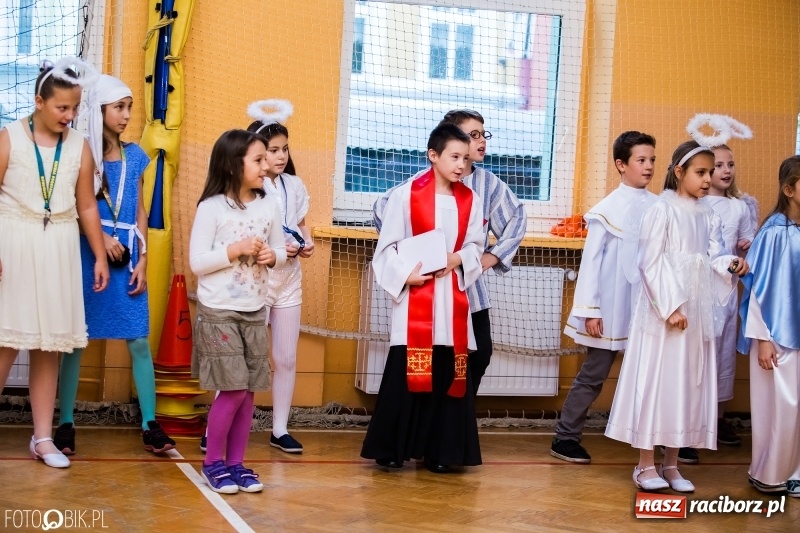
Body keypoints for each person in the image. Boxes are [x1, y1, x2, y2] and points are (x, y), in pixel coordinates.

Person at [604, 139, 748, 492]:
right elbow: (649, 262)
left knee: (687, 384)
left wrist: (728, 263)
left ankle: (671, 464)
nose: (707, 179)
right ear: (679, 172)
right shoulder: (661, 210)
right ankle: (644, 465)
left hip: (695, 312)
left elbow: (711, 258)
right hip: (664, 314)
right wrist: (670, 307)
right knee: (658, 382)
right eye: (700, 172)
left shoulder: (707, 215)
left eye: (710, 172)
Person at [55, 74, 176, 455]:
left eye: (129, 108)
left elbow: (140, 211)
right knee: (77, 342)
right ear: (99, 111)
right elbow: (72, 206)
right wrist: (99, 239)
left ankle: (149, 424)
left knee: (139, 340)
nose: (126, 115)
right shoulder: (79, 153)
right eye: (118, 108)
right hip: (89, 251)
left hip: (126, 252)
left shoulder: (136, 156)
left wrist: (142, 257)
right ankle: (65, 423)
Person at [0, 58, 109, 468]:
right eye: (61, 107)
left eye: (75, 108)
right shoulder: (9, 137)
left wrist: (99, 254)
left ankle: (43, 438)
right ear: (38, 102)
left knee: (49, 346)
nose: (69, 115)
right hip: (13, 242)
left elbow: (86, 204)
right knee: (6, 341)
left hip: (59, 245)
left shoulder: (80, 145)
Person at [360, 123, 484, 473]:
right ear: (433, 155)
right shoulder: (406, 195)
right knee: (408, 370)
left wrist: (457, 259)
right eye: (454, 157)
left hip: (452, 297)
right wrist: (405, 276)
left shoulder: (470, 200)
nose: (461, 165)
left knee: (447, 369)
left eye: (466, 157)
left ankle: (441, 453)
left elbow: (476, 245)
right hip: (417, 295)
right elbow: (386, 250)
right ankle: (392, 448)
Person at [374, 109, 525, 395]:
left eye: (484, 134)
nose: (481, 141)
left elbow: (516, 220)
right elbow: (383, 212)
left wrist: (485, 258)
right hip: (426, 291)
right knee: (424, 362)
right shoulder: (418, 185)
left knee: (477, 356)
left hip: (468, 290)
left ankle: (457, 422)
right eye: (473, 135)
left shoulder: (488, 185)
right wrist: (415, 254)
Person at [190, 129, 286, 494]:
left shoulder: (269, 205)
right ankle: (213, 462)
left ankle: (236, 463)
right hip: (219, 312)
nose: (267, 166)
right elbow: (198, 262)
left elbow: (279, 251)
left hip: (253, 310)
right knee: (232, 389)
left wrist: (271, 255)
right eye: (258, 160)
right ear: (233, 164)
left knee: (248, 392)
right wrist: (235, 249)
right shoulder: (211, 207)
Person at [552, 131, 657, 463]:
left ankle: (657, 438)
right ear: (621, 165)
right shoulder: (606, 211)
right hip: (610, 307)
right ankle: (565, 437)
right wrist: (591, 310)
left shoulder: (659, 207)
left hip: (645, 305)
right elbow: (592, 265)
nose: (649, 166)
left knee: (651, 373)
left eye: (652, 159)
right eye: (641, 160)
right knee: (594, 372)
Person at [246, 115, 314, 454]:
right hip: (257, 278)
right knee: (245, 356)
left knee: (285, 357)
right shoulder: (248, 187)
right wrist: (276, 249)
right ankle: (220, 426)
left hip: (289, 279)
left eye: (284, 149)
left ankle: (280, 429)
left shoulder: (294, 185)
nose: (280, 156)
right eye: (273, 150)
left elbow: (301, 226)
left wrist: (306, 243)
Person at [738, 155, 800, 497]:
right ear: (789, 189)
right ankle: (772, 472)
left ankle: (795, 472)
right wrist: (761, 338)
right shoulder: (774, 232)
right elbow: (759, 289)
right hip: (776, 337)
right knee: (779, 407)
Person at [700, 143, 756, 447]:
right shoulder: (697, 204)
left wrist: (748, 244)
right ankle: (693, 420)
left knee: (723, 354)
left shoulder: (739, 206)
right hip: (699, 290)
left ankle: (718, 419)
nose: (725, 171)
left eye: (729, 165)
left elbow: (747, 239)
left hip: (727, 292)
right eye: (718, 165)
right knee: (699, 353)